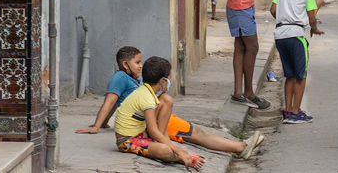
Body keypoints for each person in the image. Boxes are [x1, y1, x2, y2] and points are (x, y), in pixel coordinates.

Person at [113, 56, 265, 168]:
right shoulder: (146, 98)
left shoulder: (149, 92)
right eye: (169, 79)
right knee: (165, 151)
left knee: (166, 100)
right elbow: (153, 132)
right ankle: (183, 157)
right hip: (128, 139)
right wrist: (178, 151)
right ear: (162, 81)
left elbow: (158, 130)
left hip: (141, 131)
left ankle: (238, 147)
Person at [270, 0, 325, 124]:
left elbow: (273, 10)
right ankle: (296, 112)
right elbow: (312, 16)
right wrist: (313, 28)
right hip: (296, 36)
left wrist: (284, 20)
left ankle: (287, 111)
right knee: (301, 75)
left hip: (280, 35)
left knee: (290, 75)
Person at [76, 45, 143, 134]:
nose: (141, 66)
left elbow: (116, 102)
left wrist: (104, 123)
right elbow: (109, 103)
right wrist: (96, 127)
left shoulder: (134, 79)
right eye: (137, 62)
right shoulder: (120, 77)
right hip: (140, 121)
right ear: (125, 64)